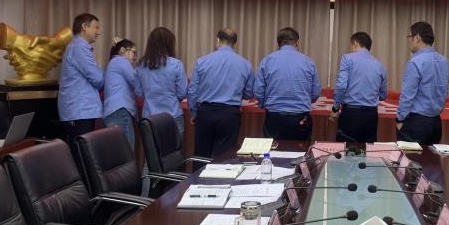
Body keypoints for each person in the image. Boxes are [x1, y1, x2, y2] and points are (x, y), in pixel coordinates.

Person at [188, 27, 254, 158]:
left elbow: (192, 91)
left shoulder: (202, 61)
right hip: (230, 114)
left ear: (218, 40)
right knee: (224, 157)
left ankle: (199, 173)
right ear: (234, 43)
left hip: (205, 112)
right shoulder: (245, 64)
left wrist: (194, 113)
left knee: (201, 156)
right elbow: (248, 93)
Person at [254, 27, 321, 141]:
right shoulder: (309, 62)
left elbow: (258, 91)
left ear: (278, 43)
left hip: (274, 117)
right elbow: (315, 93)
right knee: (300, 151)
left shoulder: (267, 60)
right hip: (300, 117)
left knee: (273, 150)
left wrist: (263, 103)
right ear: (297, 43)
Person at [396, 21, 449, 146]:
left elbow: (407, 96)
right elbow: (445, 91)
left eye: (409, 37)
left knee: (410, 158)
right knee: (431, 158)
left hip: (416, 123)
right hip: (436, 122)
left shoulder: (415, 62)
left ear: (417, 38)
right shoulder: (444, 61)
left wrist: (399, 119)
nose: (409, 41)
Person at [330, 31, 388, 143]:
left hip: (351, 113)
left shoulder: (347, 59)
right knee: (367, 150)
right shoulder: (380, 66)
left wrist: (335, 108)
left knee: (346, 150)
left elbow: (341, 86)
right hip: (371, 115)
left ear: (355, 43)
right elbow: (383, 95)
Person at [58, 13, 103, 152]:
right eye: (96, 27)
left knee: (84, 155)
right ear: (84, 26)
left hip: (80, 111)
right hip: (79, 112)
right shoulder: (79, 47)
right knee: (83, 156)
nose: (98, 32)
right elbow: (98, 79)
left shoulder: (76, 46)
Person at [136, 27, 188, 135]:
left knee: (151, 146)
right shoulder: (176, 64)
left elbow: (139, 92)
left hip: (149, 117)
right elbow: (182, 93)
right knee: (174, 146)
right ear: (169, 44)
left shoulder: (140, 65)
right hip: (173, 115)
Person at [103, 37, 139, 150]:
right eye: (133, 52)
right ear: (123, 50)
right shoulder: (121, 61)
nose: (135, 57)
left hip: (112, 112)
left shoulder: (113, 62)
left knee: (117, 152)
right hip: (120, 111)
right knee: (127, 151)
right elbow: (136, 81)